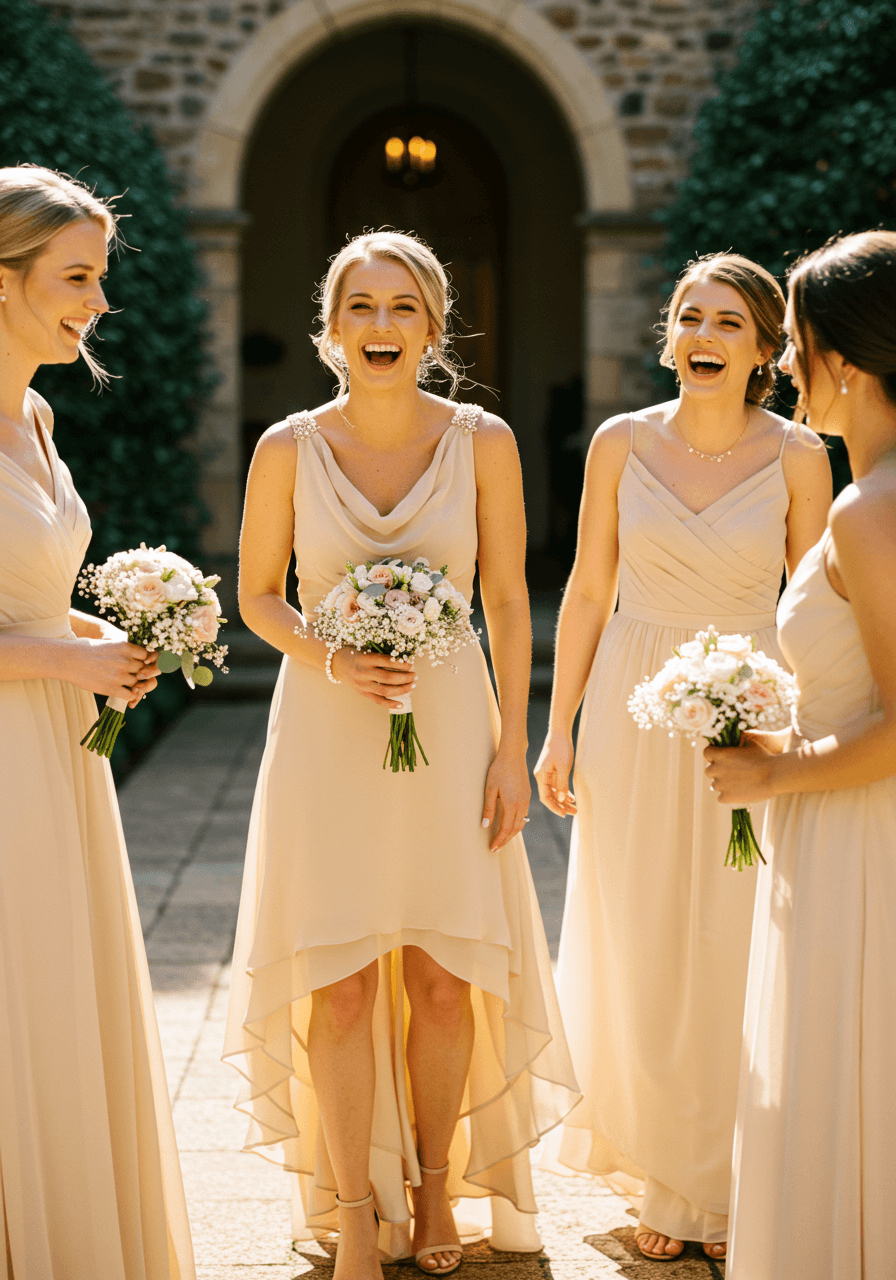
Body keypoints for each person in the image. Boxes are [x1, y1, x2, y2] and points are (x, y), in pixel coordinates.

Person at [224, 231, 579, 1280]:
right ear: (330, 328)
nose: (381, 325)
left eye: (402, 307)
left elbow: (508, 600)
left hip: (454, 727)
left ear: (434, 324)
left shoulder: (485, 440)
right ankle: (353, 1211)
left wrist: (512, 746)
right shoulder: (286, 446)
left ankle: (432, 1190)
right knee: (332, 978)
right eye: (360, 307)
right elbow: (255, 596)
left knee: (439, 973)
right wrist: (330, 656)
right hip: (325, 736)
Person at [535, 253, 832, 1260]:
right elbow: (584, 590)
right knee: (642, 937)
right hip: (634, 703)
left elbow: (813, 602)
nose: (701, 336)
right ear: (668, 335)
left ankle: (738, 1174)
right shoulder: (618, 443)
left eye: (727, 324)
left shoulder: (799, 456)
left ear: (762, 352)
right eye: (687, 317)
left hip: (751, 709)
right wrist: (558, 724)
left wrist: (806, 725)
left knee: (739, 936)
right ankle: (665, 1175)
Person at [0, 165, 194, 1278]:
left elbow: (16, 592)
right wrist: (69, 657)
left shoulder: (35, 410)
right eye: (76, 278)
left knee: (54, 994)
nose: (98, 304)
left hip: (51, 748)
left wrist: (101, 635)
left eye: (100, 278)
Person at [705, 231, 896, 1279]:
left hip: (860, 836)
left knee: (848, 1072)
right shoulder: (868, 492)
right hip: (839, 813)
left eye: (799, 342)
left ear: (849, 359)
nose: (781, 364)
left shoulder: (871, 510)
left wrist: (776, 770)